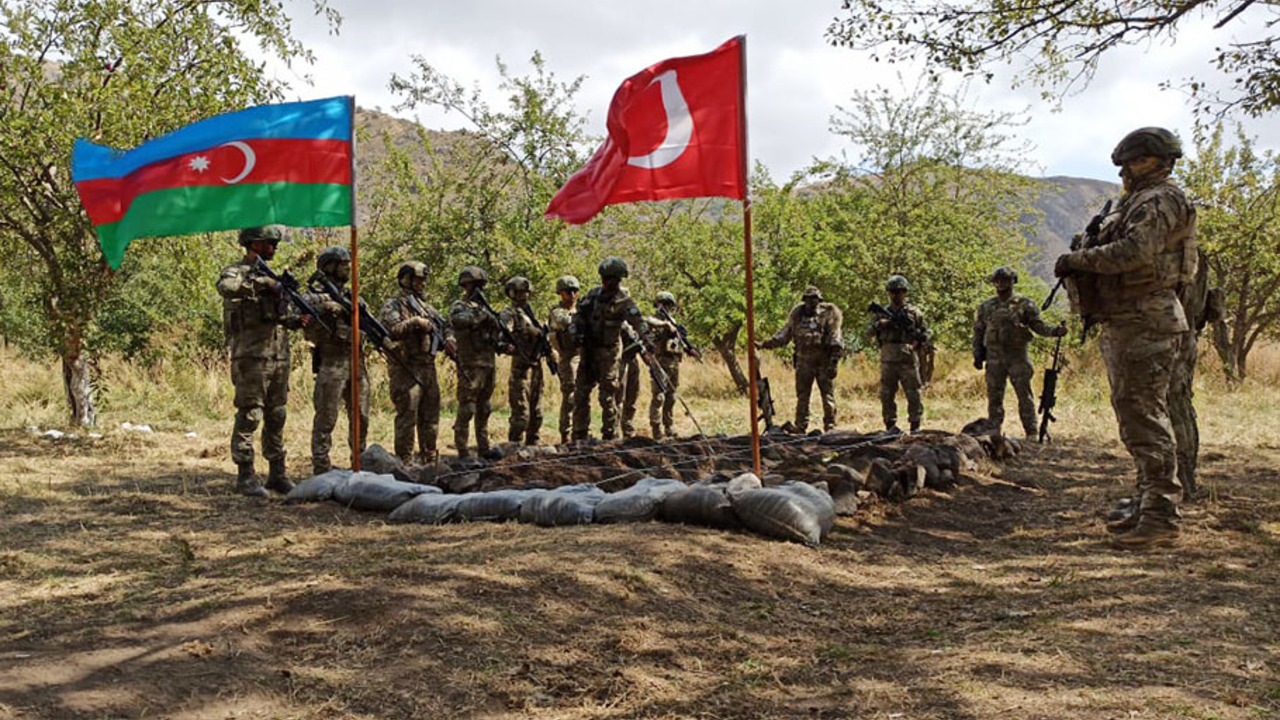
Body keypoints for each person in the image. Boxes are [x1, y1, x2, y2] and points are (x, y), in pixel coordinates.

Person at [1055, 126, 1196, 549]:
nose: (1127, 171)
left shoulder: (1159, 200)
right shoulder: (1140, 199)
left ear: (1153, 160)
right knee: (1137, 417)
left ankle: (1160, 517)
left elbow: (1136, 253)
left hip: (1145, 319)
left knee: (1145, 418)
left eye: (1134, 162)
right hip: (1131, 319)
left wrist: (1076, 259)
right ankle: (1147, 502)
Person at [215, 226, 302, 496]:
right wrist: (262, 283)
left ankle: (277, 473)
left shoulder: (275, 276)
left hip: (278, 356)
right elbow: (226, 287)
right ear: (253, 244)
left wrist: (297, 319)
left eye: (275, 244)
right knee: (250, 415)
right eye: (269, 243)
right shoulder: (237, 272)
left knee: (277, 414)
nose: (274, 248)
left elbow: (283, 316)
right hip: (250, 357)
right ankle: (246, 476)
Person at [973, 266, 1068, 438]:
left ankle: (1031, 430)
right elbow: (979, 331)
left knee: (1024, 395)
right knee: (994, 396)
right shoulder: (986, 306)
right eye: (998, 280)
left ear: (1013, 281)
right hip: (994, 357)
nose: (1001, 284)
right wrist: (977, 353)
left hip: (1017, 356)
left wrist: (1054, 331)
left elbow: (1037, 325)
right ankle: (994, 431)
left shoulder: (1025, 304)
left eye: (1005, 280)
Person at [302, 246, 371, 476]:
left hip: (356, 362)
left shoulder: (353, 297)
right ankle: (321, 466)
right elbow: (301, 312)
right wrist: (325, 307)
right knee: (326, 415)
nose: (347, 268)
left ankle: (359, 461)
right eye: (342, 264)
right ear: (329, 267)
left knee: (361, 415)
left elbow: (368, 326)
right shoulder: (316, 295)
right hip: (331, 362)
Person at [379, 261, 455, 465]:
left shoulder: (426, 307)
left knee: (431, 414)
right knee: (407, 415)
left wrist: (449, 339)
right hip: (406, 367)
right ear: (406, 279)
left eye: (423, 279)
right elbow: (391, 329)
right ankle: (406, 460)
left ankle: (429, 456)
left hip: (428, 366)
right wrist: (414, 323)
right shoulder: (393, 304)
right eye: (418, 279)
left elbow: (445, 325)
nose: (422, 283)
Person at [571, 257, 648, 441]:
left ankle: (609, 435)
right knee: (581, 393)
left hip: (609, 353)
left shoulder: (624, 301)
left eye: (613, 279)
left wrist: (646, 339)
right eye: (606, 279)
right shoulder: (592, 295)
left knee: (607, 396)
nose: (609, 283)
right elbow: (578, 316)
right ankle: (579, 435)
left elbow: (639, 322)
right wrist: (576, 332)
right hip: (589, 351)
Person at [1168, 250, 1223, 500]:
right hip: (1188, 339)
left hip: (1172, 340)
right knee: (1183, 406)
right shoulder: (1196, 255)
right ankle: (1187, 474)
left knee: (1173, 407)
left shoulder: (1172, 253)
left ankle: (1182, 478)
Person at [760, 286, 843, 433]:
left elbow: (836, 338)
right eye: (808, 299)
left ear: (819, 300)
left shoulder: (828, 314)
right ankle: (800, 425)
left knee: (827, 395)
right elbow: (784, 335)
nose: (811, 303)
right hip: (803, 361)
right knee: (802, 395)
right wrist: (765, 344)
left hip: (823, 361)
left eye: (814, 299)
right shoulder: (797, 315)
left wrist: (834, 362)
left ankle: (830, 425)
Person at [449, 266, 511, 459]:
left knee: (484, 408)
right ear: (466, 286)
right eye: (474, 286)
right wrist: (483, 316)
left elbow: (493, 338)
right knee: (467, 407)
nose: (478, 290)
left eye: (480, 286)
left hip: (488, 364)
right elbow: (459, 321)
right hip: (470, 364)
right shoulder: (460, 306)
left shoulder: (486, 309)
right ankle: (463, 449)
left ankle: (483, 448)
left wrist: (504, 343)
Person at [867, 275, 930, 433]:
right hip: (888, 358)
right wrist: (881, 325)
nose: (896, 294)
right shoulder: (882, 313)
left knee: (914, 393)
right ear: (888, 292)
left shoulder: (914, 313)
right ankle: (890, 425)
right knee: (886, 394)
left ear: (905, 292)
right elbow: (868, 333)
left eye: (900, 291)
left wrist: (918, 342)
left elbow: (926, 332)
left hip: (907, 357)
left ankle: (915, 425)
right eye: (893, 291)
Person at [646, 291, 701, 439]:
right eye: (663, 304)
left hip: (673, 362)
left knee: (671, 396)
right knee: (659, 396)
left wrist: (690, 349)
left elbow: (681, 341)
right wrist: (664, 327)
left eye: (668, 305)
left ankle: (669, 425)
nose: (666, 307)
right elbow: (648, 325)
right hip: (659, 361)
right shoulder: (656, 321)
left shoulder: (673, 322)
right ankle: (656, 428)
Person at [499, 276, 546, 446]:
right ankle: (514, 446)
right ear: (511, 294)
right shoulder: (509, 313)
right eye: (518, 293)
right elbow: (502, 333)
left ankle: (533, 445)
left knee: (537, 412)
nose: (522, 296)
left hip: (536, 367)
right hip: (521, 367)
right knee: (521, 414)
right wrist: (506, 346)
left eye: (525, 292)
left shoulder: (530, 313)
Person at [547, 275, 581, 445]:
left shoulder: (581, 310)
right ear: (561, 293)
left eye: (575, 291)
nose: (572, 294)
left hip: (583, 356)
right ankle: (566, 435)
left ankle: (581, 432)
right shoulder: (557, 312)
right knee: (570, 397)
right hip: (567, 358)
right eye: (568, 291)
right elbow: (565, 322)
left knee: (583, 397)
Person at [615, 346, 642, 438]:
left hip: (633, 358)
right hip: (621, 358)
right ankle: (615, 430)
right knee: (619, 397)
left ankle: (628, 427)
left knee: (633, 395)